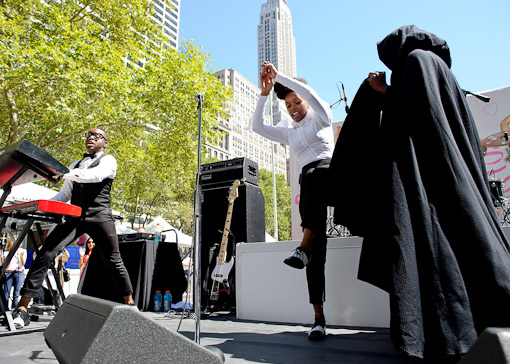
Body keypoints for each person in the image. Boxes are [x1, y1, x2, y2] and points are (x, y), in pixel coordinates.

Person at [330, 25, 510, 361]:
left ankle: (441, 336)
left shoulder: (415, 61)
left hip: (429, 182)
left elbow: (415, 112)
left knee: (433, 253)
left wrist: (383, 93)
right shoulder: (441, 68)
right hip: (449, 176)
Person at [13, 127, 134, 328]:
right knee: (45, 254)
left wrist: (66, 173)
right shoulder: (75, 165)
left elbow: (94, 176)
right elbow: (63, 196)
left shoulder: (108, 161)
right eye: (89, 135)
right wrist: (41, 205)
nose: (91, 138)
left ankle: (129, 303)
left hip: (100, 216)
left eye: (97, 136)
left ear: (105, 143)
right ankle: (22, 308)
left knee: (113, 260)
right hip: (75, 216)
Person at [252, 61, 334, 340]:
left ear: (306, 99)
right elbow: (257, 127)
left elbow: (309, 95)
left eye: (296, 102)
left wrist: (280, 77)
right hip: (310, 191)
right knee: (315, 256)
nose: (293, 108)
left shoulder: (322, 115)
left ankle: (303, 245)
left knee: (315, 172)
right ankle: (318, 319)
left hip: (330, 178)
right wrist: (264, 94)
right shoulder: (289, 130)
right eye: (287, 105)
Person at [1, 241, 26, 310]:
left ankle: (15, 309)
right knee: (7, 292)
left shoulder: (22, 251)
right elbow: (5, 265)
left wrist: (21, 256)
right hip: (9, 272)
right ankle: (5, 309)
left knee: (16, 293)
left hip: (19, 272)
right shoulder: (7, 252)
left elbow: (23, 263)